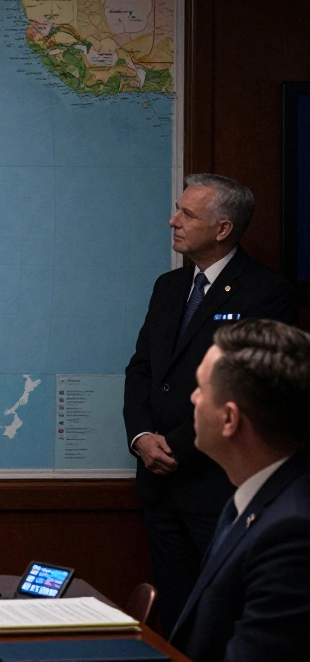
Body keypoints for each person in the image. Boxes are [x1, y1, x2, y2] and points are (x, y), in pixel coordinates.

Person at [123, 173, 295, 629]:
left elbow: (247, 387)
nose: (172, 220)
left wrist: (175, 447)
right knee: (176, 616)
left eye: (187, 214)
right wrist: (141, 437)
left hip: (213, 485)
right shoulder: (169, 287)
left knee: (220, 617)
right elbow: (142, 370)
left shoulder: (267, 292)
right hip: (158, 485)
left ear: (222, 229)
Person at [169, 319, 310, 661]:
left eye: (201, 387)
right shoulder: (258, 496)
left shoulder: (292, 533)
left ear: (229, 419)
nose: (192, 397)